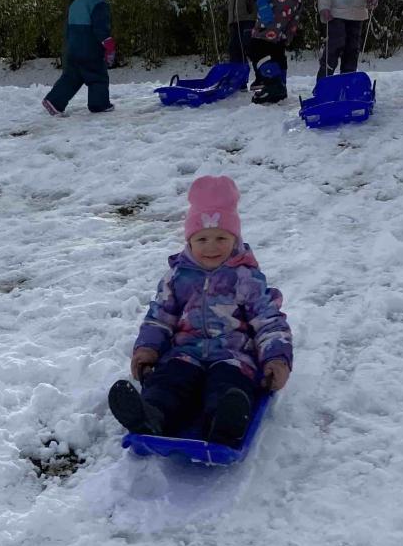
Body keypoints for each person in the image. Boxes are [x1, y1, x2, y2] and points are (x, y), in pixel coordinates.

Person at [107, 176, 292, 446]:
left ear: (235, 238)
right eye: (202, 238)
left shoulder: (246, 278)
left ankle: (224, 423)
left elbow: (269, 321)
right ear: (189, 241)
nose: (211, 246)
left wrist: (277, 358)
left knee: (227, 385)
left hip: (233, 356)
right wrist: (147, 349)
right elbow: (160, 317)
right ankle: (151, 415)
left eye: (221, 238)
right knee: (169, 382)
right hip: (185, 353)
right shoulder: (178, 277)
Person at [43, 0, 116, 116]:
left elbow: (68, 28)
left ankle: (54, 101)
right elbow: (101, 29)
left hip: (73, 49)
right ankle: (99, 105)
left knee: (72, 77)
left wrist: (69, 45)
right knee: (98, 77)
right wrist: (109, 46)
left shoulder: (76, 3)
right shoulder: (98, 4)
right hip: (91, 50)